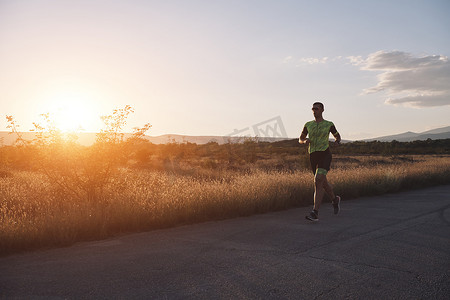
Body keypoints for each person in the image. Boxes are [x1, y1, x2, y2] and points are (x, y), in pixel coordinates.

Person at [299, 102, 341, 221]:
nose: (314, 110)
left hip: (325, 154)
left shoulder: (329, 124)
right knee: (322, 182)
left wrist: (337, 142)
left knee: (318, 180)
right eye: (313, 108)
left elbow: (337, 136)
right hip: (313, 155)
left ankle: (315, 212)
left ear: (322, 110)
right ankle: (335, 199)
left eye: (316, 108)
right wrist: (304, 141)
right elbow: (300, 138)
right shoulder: (308, 125)